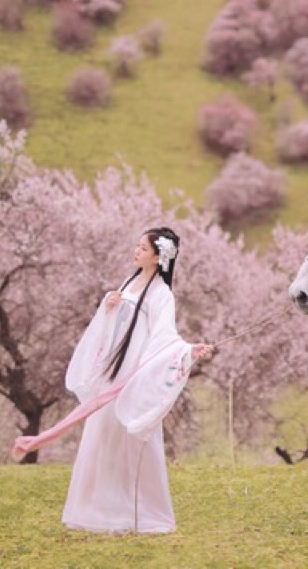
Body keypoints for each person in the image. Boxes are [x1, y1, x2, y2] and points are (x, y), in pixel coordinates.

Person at [60, 226, 215, 534]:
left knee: (129, 437)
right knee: (102, 434)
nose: (136, 251)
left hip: (134, 371)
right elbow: (116, 323)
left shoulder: (162, 294)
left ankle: (136, 510)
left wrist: (187, 351)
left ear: (159, 257)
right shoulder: (130, 282)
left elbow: (164, 337)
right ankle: (96, 508)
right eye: (137, 246)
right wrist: (109, 307)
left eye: (143, 249)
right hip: (113, 369)